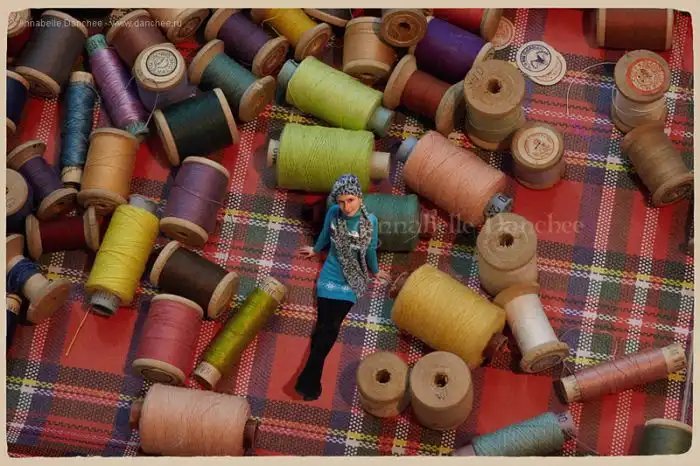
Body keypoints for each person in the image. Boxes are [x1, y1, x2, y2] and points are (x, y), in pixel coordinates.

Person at [295, 174, 390, 401]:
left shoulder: (370, 222)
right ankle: (309, 382)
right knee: (324, 327)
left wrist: (375, 271)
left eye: (350, 200)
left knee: (329, 327)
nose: (346, 207)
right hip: (329, 274)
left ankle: (308, 381)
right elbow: (324, 235)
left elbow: (370, 250)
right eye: (341, 202)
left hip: (351, 279)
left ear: (360, 198)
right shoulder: (333, 214)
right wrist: (316, 250)